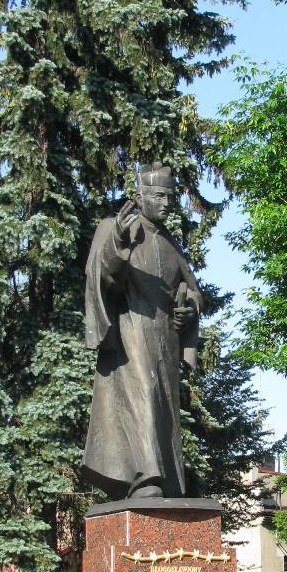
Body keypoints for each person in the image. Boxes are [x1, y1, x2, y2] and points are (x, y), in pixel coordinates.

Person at [82, 164, 202, 499]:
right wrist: (117, 242)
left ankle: (166, 480)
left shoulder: (170, 244)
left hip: (165, 337)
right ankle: (144, 477)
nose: (167, 203)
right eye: (159, 196)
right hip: (130, 331)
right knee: (143, 398)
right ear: (140, 196)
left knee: (164, 409)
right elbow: (100, 276)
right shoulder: (116, 228)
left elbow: (193, 290)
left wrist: (189, 308)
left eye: (170, 197)